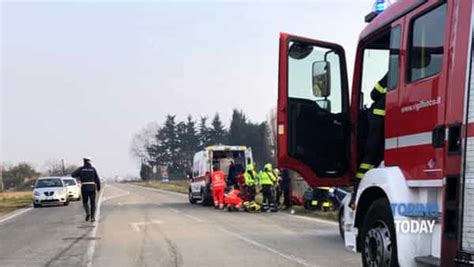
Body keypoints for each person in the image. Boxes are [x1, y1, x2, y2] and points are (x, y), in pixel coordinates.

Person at [351, 74, 388, 209]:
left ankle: (357, 193)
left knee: (370, 157)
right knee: (375, 156)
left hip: (377, 120)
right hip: (384, 120)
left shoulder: (392, 73)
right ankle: (357, 195)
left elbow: (374, 94)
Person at [71, 157, 101, 222]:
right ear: (90, 162)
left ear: (84, 162)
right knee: (92, 203)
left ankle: (88, 213)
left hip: (84, 187)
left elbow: (73, 175)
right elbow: (97, 179)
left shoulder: (81, 169)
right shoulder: (93, 169)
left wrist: (80, 175)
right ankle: (92, 217)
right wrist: (98, 188)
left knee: (85, 202)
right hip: (92, 187)